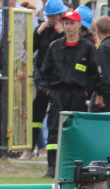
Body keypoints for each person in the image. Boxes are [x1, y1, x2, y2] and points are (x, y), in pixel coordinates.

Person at [37, 9, 99, 178]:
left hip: (78, 94)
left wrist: (87, 91)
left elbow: (94, 73)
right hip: (57, 93)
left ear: (79, 25)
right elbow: (45, 73)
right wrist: (48, 91)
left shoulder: (87, 47)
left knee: (76, 131)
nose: (69, 27)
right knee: (54, 130)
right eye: (66, 23)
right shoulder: (55, 46)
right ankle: (52, 167)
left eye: (72, 23)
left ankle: (76, 167)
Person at [29, 0, 66, 158]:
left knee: (57, 114)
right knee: (37, 113)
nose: (51, 19)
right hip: (43, 78)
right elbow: (30, 48)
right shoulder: (42, 30)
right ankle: (29, 148)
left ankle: (58, 150)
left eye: (54, 16)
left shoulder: (67, 29)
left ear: (60, 15)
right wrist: (37, 33)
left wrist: (62, 33)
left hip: (60, 78)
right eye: (49, 16)